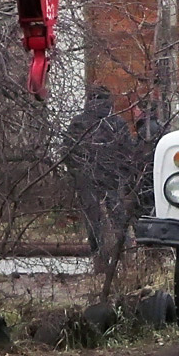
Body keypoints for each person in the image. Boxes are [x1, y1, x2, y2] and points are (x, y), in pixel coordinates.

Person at [63, 86, 133, 264]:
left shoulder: (78, 123)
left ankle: (99, 257)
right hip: (112, 179)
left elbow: (67, 152)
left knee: (92, 219)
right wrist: (121, 175)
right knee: (118, 216)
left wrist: (77, 174)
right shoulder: (116, 123)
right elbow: (128, 153)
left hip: (86, 179)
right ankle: (124, 256)